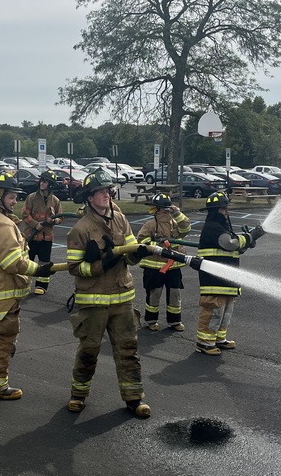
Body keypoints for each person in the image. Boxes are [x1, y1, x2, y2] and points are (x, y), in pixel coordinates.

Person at [65, 169, 151, 417]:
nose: (106, 194)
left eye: (108, 190)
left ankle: (134, 398)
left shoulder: (120, 220)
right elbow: (74, 268)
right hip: (93, 300)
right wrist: (100, 265)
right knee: (89, 350)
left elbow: (131, 253)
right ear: (89, 198)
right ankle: (78, 395)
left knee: (128, 350)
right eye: (100, 192)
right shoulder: (80, 230)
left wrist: (137, 253)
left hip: (122, 297)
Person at [0, 171, 53, 400]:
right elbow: (12, 262)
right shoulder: (2, 224)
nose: (15, 201)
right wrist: (38, 270)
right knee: (1, 338)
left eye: (15, 196)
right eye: (10, 196)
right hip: (2, 295)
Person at [195, 191, 265, 355]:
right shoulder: (212, 227)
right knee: (213, 311)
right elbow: (229, 243)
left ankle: (219, 339)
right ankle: (204, 342)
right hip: (213, 278)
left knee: (225, 312)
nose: (227, 212)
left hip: (226, 278)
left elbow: (234, 250)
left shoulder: (223, 227)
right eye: (223, 209)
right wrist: (250, 236)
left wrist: (249, 242)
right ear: (215, 211)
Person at [136, 193, 192, 331]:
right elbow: (141, 242)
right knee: (154, 294)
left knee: (174, 293)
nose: (166, 211)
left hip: (173, 266)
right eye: (163, 208)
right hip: (154, 267)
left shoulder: (175, 222)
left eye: (167, 208)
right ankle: (151, 320)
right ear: (156, 209)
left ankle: (175, 321)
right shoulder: (150, 225)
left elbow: (186, 229)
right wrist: (158, 245)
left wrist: (178, 214)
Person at [21, 170, 64, 295]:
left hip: (46, 238)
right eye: (41, 181)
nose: (42, 183)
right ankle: (23, 284)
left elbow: (60, 218)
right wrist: (35, 224)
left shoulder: (55, 201)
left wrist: (54, 220)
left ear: (50, 184)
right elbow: (25, 214)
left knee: (44, 262)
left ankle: (41, 285)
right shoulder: (32, 198)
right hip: (32, 236)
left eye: (45, 181)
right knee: (27, 261)